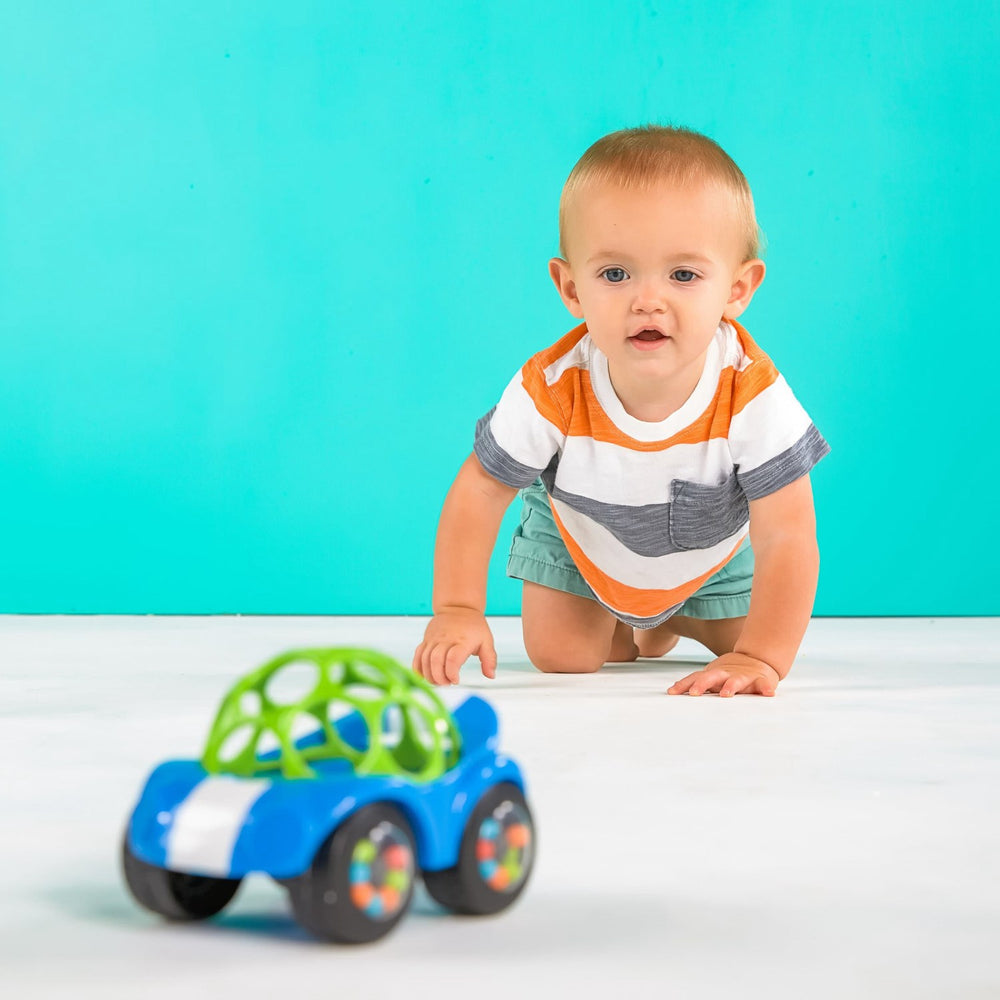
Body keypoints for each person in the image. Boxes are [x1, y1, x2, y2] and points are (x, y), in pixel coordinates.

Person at [412, 124, 829, 696]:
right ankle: (625, 625)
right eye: (615, 274)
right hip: (583, 536)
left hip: (706, 554)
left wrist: (761, 658)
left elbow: (788, 535)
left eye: (683, 275)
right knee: (561, 656)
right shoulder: (554, 386)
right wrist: (457, 608)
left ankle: (671, 618)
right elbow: (481, 489)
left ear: (737, 289)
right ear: (571, 288)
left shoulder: (750, 391)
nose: (647, 301)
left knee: (747, 639)